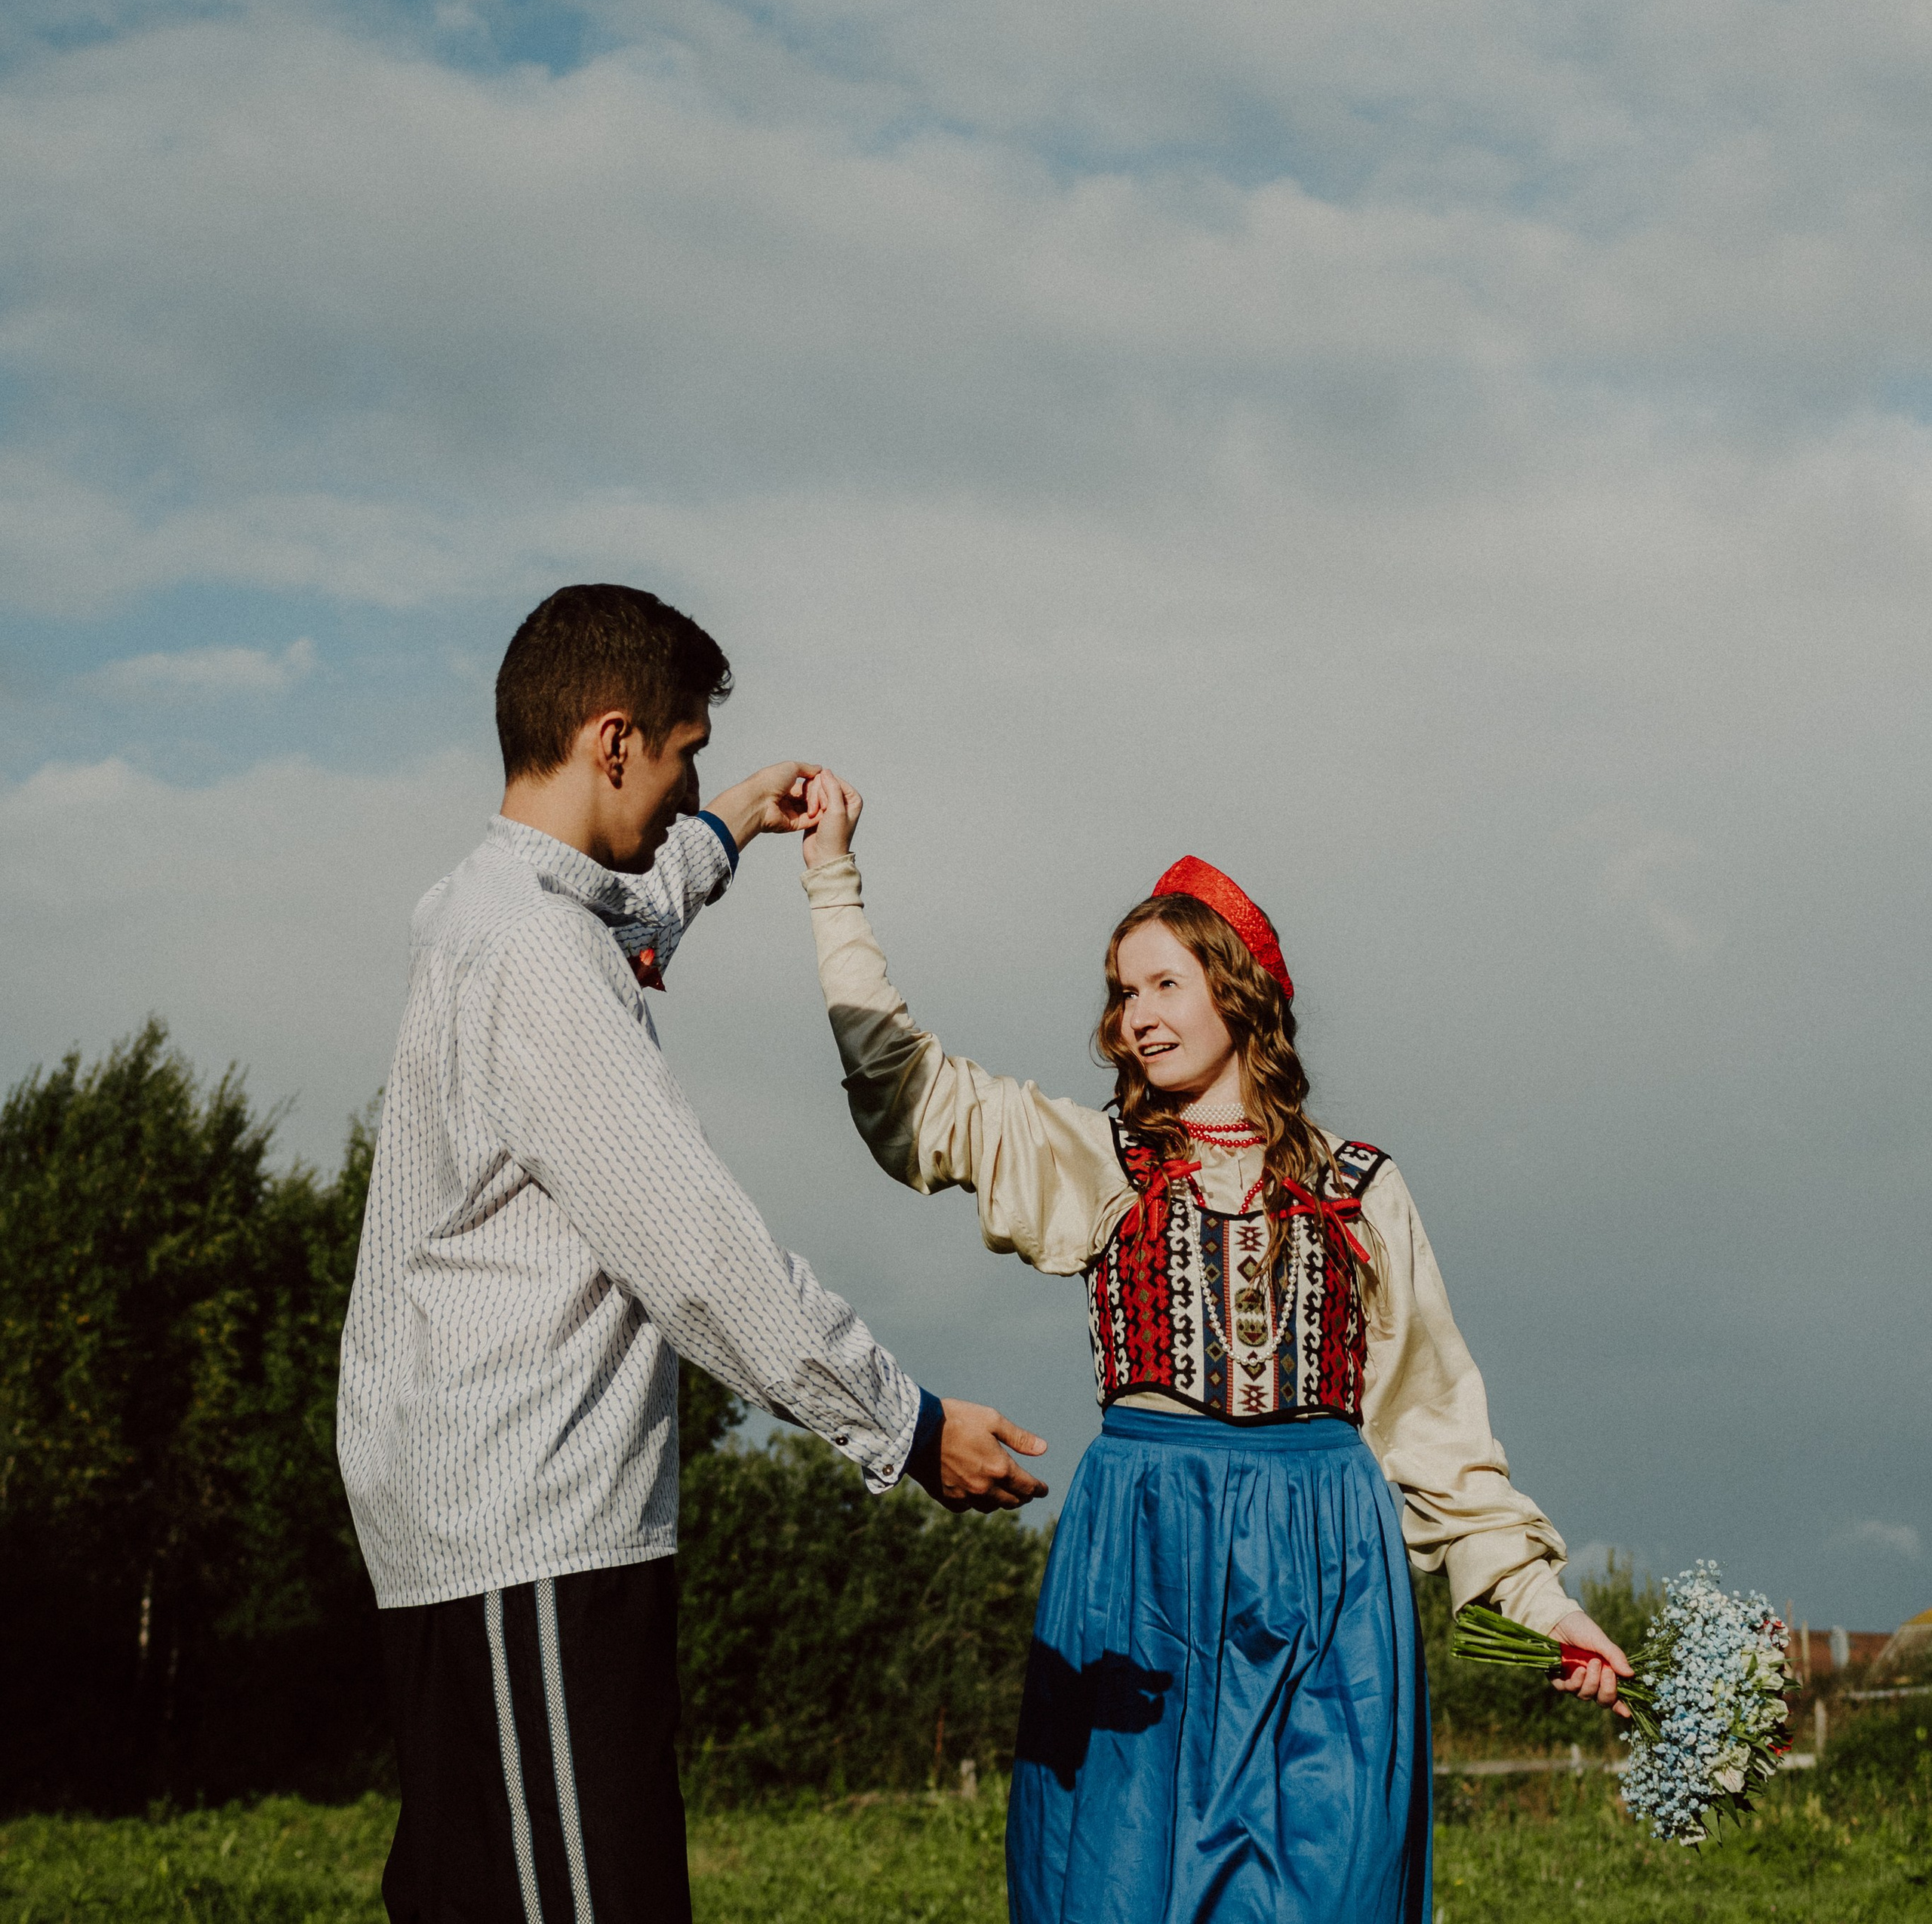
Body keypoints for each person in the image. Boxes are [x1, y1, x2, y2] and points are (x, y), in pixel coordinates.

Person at [798, 773, 1632, 1924]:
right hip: (1146, 1554)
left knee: (1328, 1885)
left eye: (1164, 983)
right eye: (1120, 991)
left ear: (1236, 993)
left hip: (1330, 1572)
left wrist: (1541, 1608)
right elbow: (910, 1095)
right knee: (1121, 1887)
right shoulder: (1101, 1162)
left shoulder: (1362, 1192)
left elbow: (1434, 1430)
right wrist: (832, 883)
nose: (1136, 1014)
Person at [338, 585, 1045, 1924]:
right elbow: (705, 1256)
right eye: (683, 755)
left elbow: (624, 918)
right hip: (530, 1539)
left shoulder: (489, 911)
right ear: (614, 741)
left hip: (491, 1540)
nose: (686, 783)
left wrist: (727, 830)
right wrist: (904, 1425)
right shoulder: (538, 960)